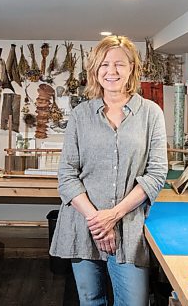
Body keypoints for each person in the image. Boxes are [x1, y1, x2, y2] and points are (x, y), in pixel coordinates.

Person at [49, 35, 168, 306]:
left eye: (119, 64)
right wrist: (98, 221)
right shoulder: (80, 115)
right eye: (104, 65)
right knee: (91, 301)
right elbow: (67, 175)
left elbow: (157, 173)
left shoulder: (151, 113)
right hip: (84, 224)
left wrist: (113, 216)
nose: (111, 71)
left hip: (129, 225)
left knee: (134, 303)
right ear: (94, 70)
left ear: (132, 69)